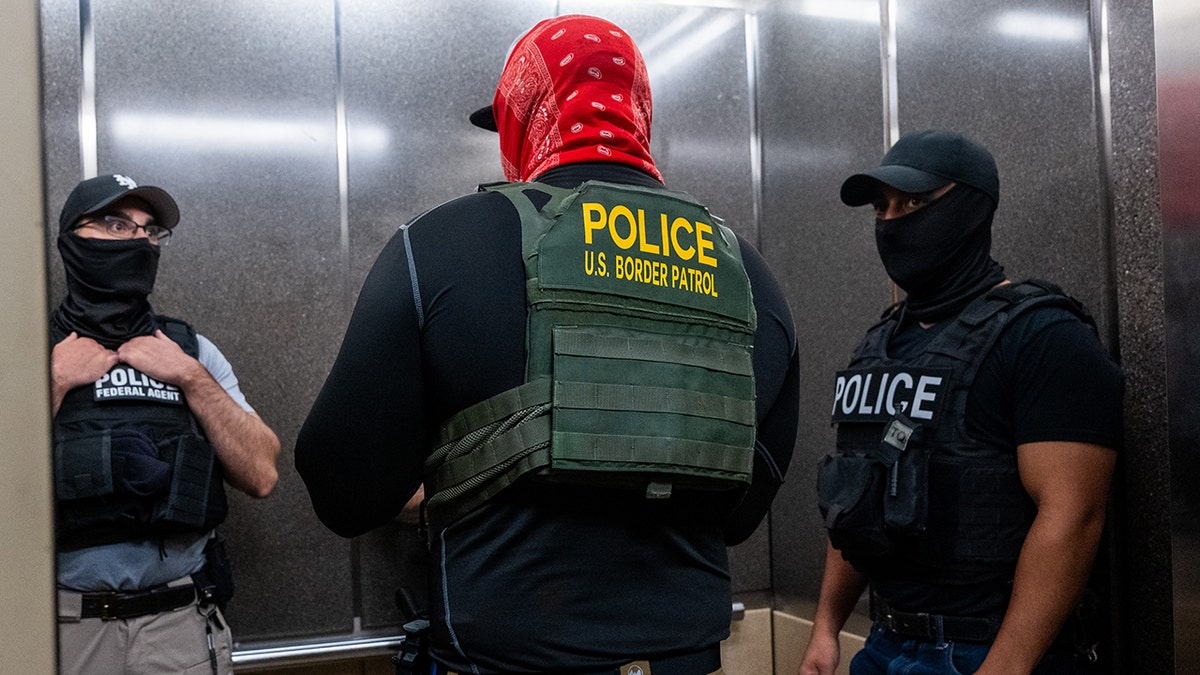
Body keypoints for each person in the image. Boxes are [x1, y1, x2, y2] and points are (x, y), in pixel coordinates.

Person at [295, 14, 798, 675]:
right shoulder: (752, 277)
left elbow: (342, 490)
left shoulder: (438, 249)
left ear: (523, 110)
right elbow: (737, 514)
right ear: (637, 109)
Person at [800, 130, 1124, 675]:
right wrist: (826, 629)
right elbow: (855, 500)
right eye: (883, 207)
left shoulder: (1044, 335)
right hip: (884, 645)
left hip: (987, 652)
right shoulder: (878, 346)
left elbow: (1074, 516)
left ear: (972, 208)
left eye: (915, 203)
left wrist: (1005, 667)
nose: (893, 221)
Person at [50, 174, 280, 675]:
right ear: (71, 242)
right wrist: (54, 381)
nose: (137, 241)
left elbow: (262, 473)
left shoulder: (190, 350)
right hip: (62, 629)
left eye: (149, 231)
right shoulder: (30, 351)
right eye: (115, 225)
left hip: (179, 626)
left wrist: (191, 378)